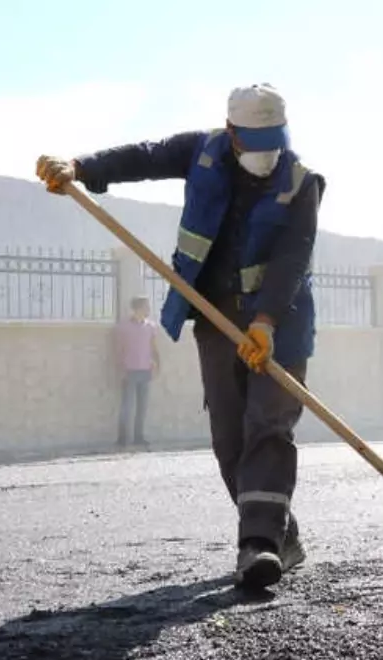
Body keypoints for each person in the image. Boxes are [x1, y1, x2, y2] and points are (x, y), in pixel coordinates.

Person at [36, 84, 325, 589]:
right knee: (230, 439)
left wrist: (265, 323)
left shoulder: (301, 182)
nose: (264, 152)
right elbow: (143, 157)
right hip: (214, 318)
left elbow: (292, 261)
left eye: (272, 139)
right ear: (232, 132)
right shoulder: (202, 151)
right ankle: (281, 535)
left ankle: (256, 547)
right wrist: (79, 168)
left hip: (280, 324)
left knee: (268, 429)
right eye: (254, 139)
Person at [115, 294, 159, 448]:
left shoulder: (151, 326)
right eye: (146, 306)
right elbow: (119, 349)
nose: (148, 309)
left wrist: (156, 364)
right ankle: (122, 439)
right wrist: (120, 368)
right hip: (129, 370)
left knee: (142, 406)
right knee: (126, 406)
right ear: (138, 308)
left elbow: (153, 347)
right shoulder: (124, 326)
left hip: (145, 370)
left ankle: (138, 437)